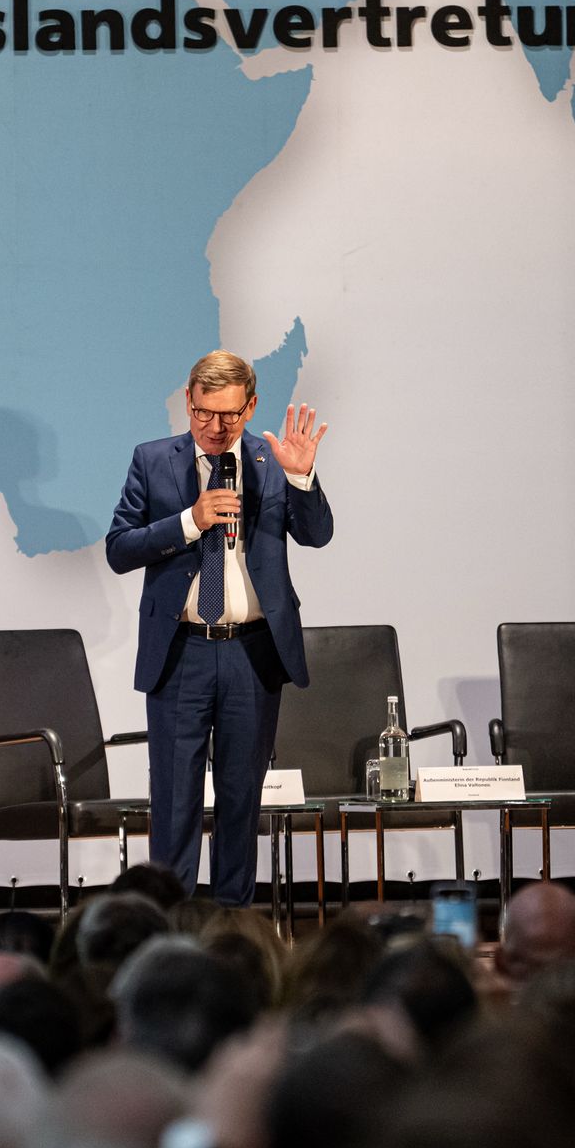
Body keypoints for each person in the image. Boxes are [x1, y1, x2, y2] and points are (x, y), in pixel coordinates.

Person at [105, 352, 330, 906]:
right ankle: (171, 930)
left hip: (252, 653)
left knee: (240, 800)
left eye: (229, 415)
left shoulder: (272, 460)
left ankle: (234, 929)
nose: (214, 427)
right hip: (181, 652)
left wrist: (300, 477)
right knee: (174, 802)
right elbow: (119, 548)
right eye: (203, 412)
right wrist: (190, 521)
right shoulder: (152, 460)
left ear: (250, 407)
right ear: (188, 401)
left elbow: (317, 534)